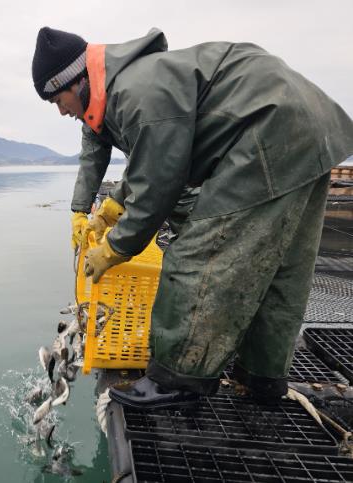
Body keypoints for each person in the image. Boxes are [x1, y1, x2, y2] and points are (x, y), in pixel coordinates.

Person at [32, 27, 353, 408]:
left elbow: (159, 184)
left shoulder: (135, 92)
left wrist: (115, 247)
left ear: (76, 80)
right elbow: (154, 157)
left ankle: (178, 380)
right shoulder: (131, 83)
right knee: (281, 269)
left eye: (58, 99)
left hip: (267, 128)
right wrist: (110, 206)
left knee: (196, 258)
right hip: (310, 124)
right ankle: (262, 377)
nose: (61, 110)